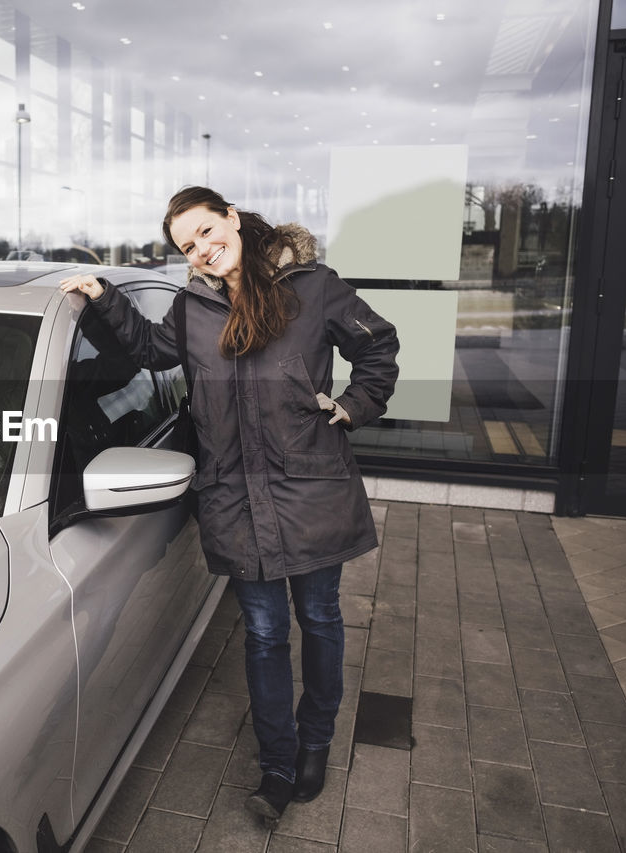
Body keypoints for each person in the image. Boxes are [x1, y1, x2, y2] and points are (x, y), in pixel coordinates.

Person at [59, 186, 399, 826]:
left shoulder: (313, 285)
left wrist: (352, 407)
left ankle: (316, 742)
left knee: (320, 619)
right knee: (266, 635)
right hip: (234, 498)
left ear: (233, 220)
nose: (204, 250)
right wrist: (105, 299)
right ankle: (277, 762)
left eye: (209, 232)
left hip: (312, 488)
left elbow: (378, 346)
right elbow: (151, 353)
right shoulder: (194, 307)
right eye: (189, 246)